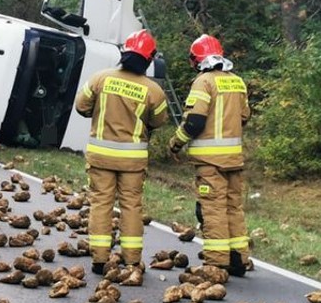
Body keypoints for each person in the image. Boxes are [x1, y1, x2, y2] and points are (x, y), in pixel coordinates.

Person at [75, 30, 170, 277]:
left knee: (101, 204)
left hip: (101, 157)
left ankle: (99, 259)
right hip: (133, 161)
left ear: (123, 52)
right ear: (148, 60)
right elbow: (158, 121)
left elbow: (81, 106)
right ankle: (131, 260)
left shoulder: (100, 79)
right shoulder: (154, 91)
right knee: (131, 206)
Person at [169, 34, 252, 276]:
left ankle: (217, 263)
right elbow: (244, 116)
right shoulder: (237, 82)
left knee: (213, 209)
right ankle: (238, 259)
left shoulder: (203, 82)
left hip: (210, 162)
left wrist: (176, 143)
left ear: (197, 60)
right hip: (234, 160)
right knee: (233, 208)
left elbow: (194, 121)